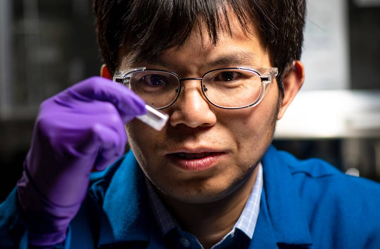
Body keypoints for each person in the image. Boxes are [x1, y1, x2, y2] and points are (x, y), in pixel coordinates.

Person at [1, 0, 380, 248]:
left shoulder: (364, 223)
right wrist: (30, 219)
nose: (193, 115)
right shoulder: (55, 226)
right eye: (154, 79)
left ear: (287, 88)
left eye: (229, 76)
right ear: (111, 93)